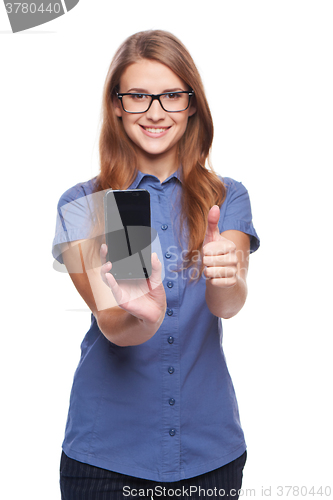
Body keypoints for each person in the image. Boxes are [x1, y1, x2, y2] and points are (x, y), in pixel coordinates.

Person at [52, 29, 260, 500]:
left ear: (192, 105)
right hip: (106, 458)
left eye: (171, 95)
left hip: (209, 453)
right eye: (139, 96)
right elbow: (114, 326)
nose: (155, 111)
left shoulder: (225, 197)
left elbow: (228, 304)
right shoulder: (86, 204)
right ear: (117, 105)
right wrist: (139, 315)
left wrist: (226, 275)